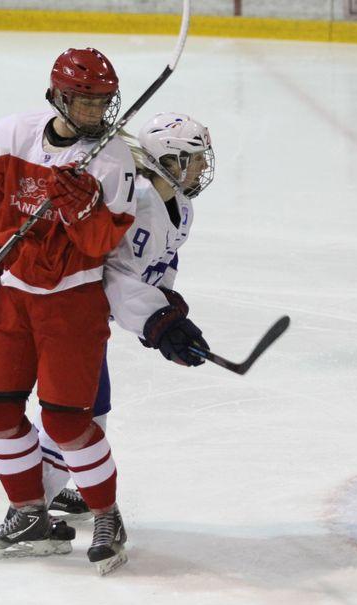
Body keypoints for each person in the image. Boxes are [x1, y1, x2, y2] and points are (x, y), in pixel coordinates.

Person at [0, 48, 137, 574]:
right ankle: (29, 513)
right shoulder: (11, 134)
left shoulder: (113, 159)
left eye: (103, 103)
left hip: (74, 302)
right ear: (57, 96)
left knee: (65, 422)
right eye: (83, 102)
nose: (94, 113)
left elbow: (104, 242)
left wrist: (83, 211)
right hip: (14, 297)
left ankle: (107, 515)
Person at [36, 112, 214, 527]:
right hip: (69, 313)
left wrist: (169, 314)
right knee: (80, 415)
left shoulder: (181, 208)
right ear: (171, 161)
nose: (205, 166)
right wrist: (158, 322)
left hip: (91, 322)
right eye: (197, 157)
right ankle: (29, 506)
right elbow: (112, 278)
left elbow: (158, 270)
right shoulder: (141, 203)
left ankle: (34, 497)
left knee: (86, 414)